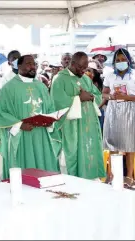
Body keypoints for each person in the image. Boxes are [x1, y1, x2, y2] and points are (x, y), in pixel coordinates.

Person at [0, 55, 60, 179]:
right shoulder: (8, 88)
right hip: (21, 136)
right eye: (29, 64)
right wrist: (19, 124)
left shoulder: (41, 86)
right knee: (23, 173)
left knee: (44, 171)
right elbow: (0, 112)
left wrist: (49, 120)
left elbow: (50, 108)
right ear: (19, 66)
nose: (32, 67)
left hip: (41, 135)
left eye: (34, 64)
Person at [50, 52, 105, 180]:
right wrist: (78, 98)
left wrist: (91, 97)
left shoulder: (85, 78)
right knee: (73, 158)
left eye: (85, 67)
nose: (83, 70)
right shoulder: (59, 79)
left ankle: (90, 179)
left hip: (88, 125)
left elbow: (97, 95)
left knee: (89, 153)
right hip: (72, 127)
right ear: (72, 64)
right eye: (80, 67)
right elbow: (57, 102)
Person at [101, 48, 135, 187]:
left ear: (129, 61)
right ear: (114, 62)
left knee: (130, 144)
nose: (120, 62)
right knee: (113, 143)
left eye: (123, 60)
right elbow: (104, 93)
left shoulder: (134, 75)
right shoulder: (110, 76)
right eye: (118, 60)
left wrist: (126, 97)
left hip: (130, 110)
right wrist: (111, 96)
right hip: (113, 110)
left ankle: (129, 176)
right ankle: (114, 174)